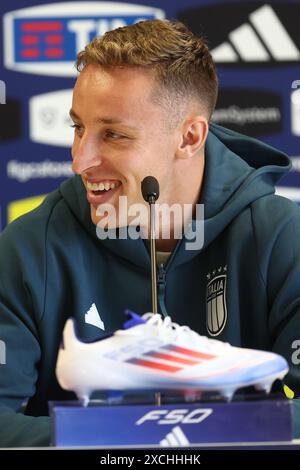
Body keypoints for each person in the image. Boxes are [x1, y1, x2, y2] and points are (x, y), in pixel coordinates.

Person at [0, 19, 300, 447]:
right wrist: (133, 440)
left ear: (189, 137)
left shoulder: (279, 237)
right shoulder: (31, 248)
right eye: (78, 128)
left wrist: (174, 436)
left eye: (114, 135)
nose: (80, 160)